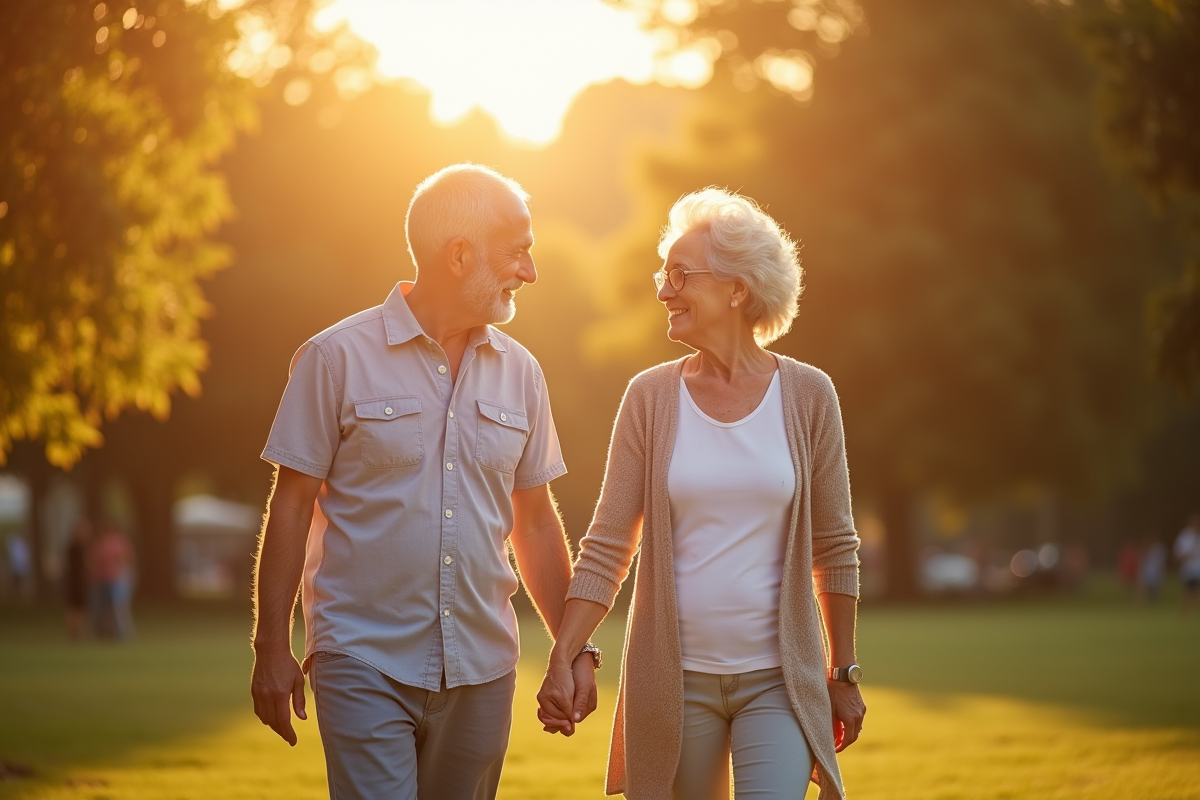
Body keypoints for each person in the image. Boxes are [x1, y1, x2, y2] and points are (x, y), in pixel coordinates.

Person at [250, 164, 598, 800]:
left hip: (484, 667)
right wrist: (270, 646)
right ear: (459, 255)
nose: (531, 271)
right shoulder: (334, 358)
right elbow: (292, 507)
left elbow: (538, 522)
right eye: (518, 252)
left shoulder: (522, 373)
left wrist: (573, 649)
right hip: (362, 658)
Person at [537, 188, 865, 800]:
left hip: (779, 682)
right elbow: (608, 545)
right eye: (662, 274)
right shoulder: (649, 398)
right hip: (674, 683)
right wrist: (563, 652)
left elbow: (835, 545)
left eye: (680, 275)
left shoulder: (809, 395)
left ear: (737, 289)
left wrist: (843, 670)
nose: (663, 290)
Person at [91, 525, 134, 640]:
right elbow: (94, 562)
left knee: (118, 607)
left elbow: (124, 559)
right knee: (103, 609)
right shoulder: (99, 544)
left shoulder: (118, 542)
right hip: (101, 580)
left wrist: (123, 573)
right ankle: (105, 633)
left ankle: (122, 633)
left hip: (117, 580)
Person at [65, 519, 92, 640]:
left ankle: (75, 636)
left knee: (74, 609)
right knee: (78, 610)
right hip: (78, 583)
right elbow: (85, 565)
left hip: (72, 582)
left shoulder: (71, 547)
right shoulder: (80, 548)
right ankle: (77, 636)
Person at [1174, 513, 1200, 614]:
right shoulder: (1185, 536)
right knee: (1189, 590)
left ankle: (1193, 610)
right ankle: (1185, 611)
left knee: (1195, 591)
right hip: (1189, 568)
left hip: (1198, 567)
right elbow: (1178, 552)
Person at [1138, 535, 1167, 605]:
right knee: (1146, 587)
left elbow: (1161, 560)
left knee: (1155, 588)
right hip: (1148, 571)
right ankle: (1145, 602)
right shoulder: (1147, 548)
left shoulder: (1159, 548)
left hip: (1156, 571)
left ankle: (1154, 601)